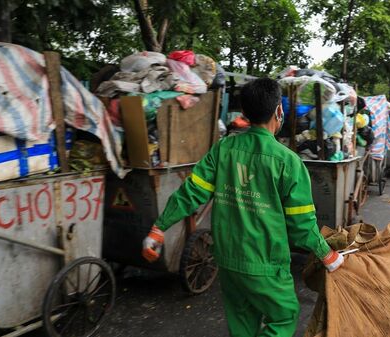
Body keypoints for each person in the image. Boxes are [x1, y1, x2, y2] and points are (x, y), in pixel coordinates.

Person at [142, 78, 343, 337]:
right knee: (283, 317)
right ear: (278, 112)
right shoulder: (288, 162)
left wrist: (159, 228)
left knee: (242, 323)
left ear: (244, 114)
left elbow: (191, 192)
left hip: (228, 260)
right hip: (266, 263)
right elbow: (301, 225)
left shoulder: (224, 149)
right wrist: (327, 254)